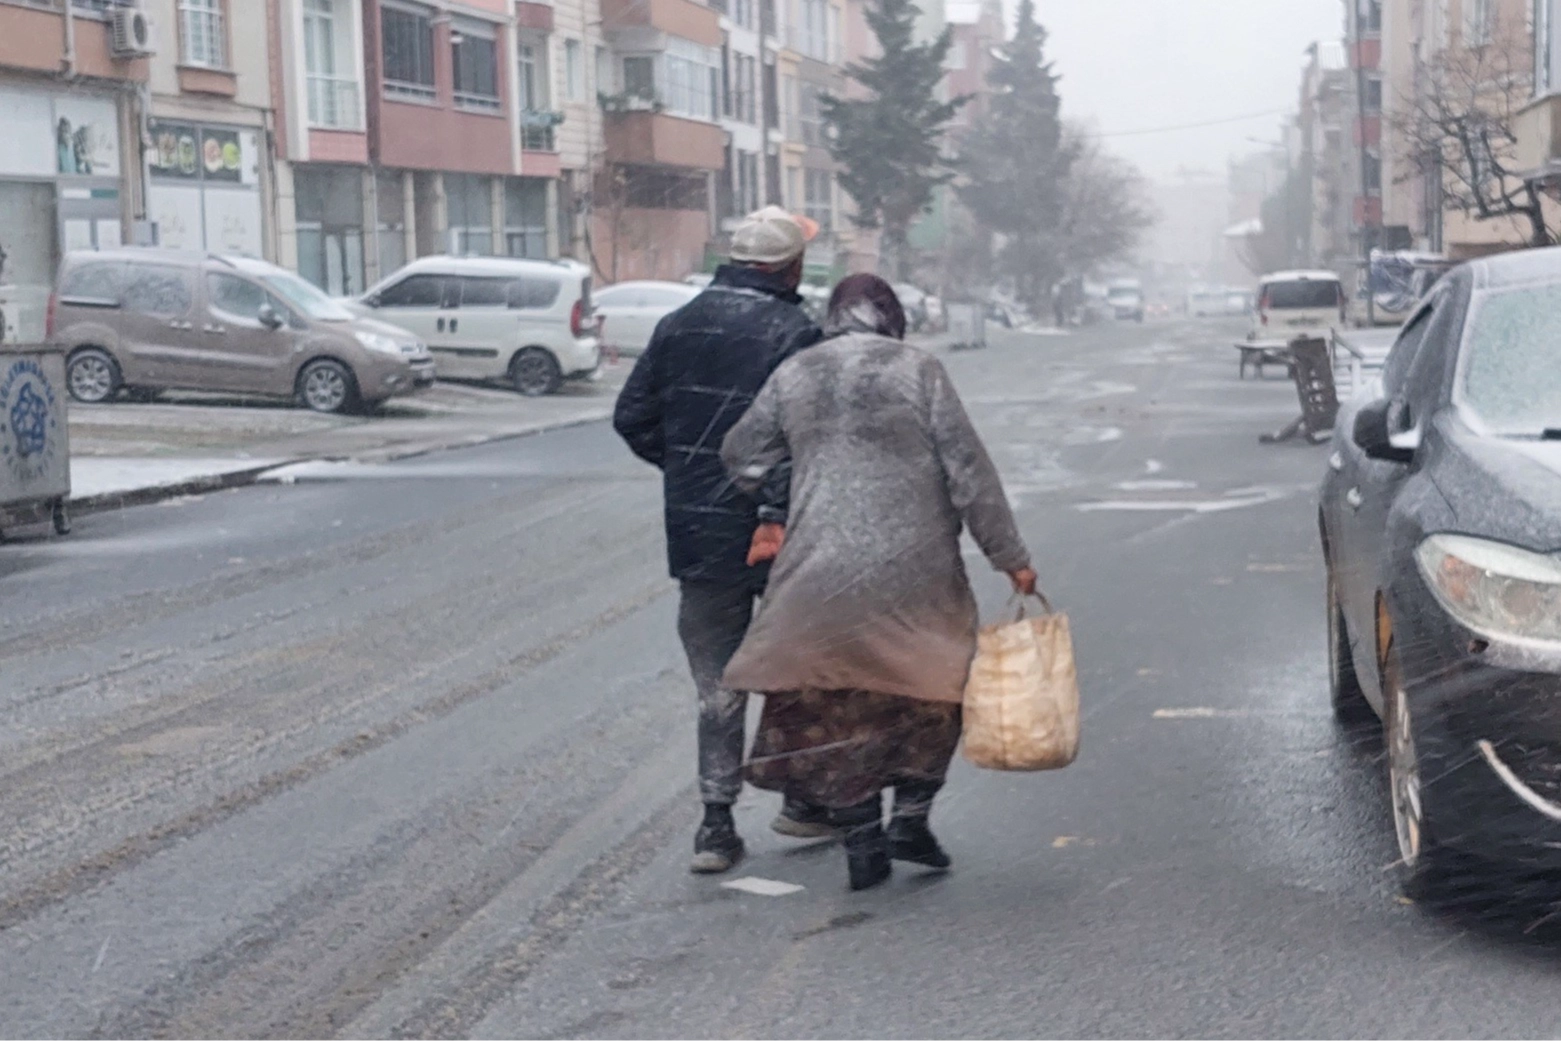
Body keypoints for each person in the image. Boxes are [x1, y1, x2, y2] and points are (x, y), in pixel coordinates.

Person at [719, 273, 1038, 891]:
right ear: (892, 317)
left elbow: (741, 454)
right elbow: (967, 471)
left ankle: (863, 834)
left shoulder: (796, 374)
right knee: (934, 690)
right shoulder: (918, 372)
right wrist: (1010, 556)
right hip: (915, 572)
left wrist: (796, 480)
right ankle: (911, 818)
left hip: (818, 572)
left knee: (839, 704)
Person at [613, 206, 826, 874]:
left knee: (717, 682)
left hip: (699, 533)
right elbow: (802, 439)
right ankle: (802, 797)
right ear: (790, 267)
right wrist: (769, 499)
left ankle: (715, 823)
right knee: (797, 667)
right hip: (780, 535)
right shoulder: (793, 331)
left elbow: (632, 416)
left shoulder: (675, 326)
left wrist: (686, 468)